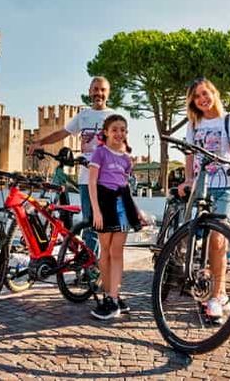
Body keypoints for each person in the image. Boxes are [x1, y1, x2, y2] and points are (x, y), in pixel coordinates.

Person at [176, 77, 230, 320]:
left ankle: (217, 297)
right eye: (196, 97)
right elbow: (189, 154)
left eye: (205, 93)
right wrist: (187, 180)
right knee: (198, 236)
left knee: (219, 239)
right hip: (202, 187)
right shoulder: (193, 124)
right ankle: (214, 285)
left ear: (214, 93)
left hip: (226, 185)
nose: (202, 99)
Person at [28, 76, 115, 253]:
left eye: (102, 90)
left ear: (108, 93)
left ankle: (94, 268)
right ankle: (88, 265)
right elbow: (62, 133)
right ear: (90, 91)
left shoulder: (113, 117)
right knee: (87, 220)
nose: (99, 93)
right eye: (95, 89)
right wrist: (40, 142)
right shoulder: (83, 116)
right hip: (85, 177)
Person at [87, 114, 144, 320]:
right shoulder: (100, 153)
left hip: (122, 206)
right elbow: (92, 182)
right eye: (115, 129)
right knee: (105, 251)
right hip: (104, 203)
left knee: (117, 252)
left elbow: (126, 187)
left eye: (123, 130)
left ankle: (113, 297)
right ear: (106, 132)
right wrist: (96, 210)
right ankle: (109, 294)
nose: (119, 133)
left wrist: (136, 210)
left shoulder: (127, 159)